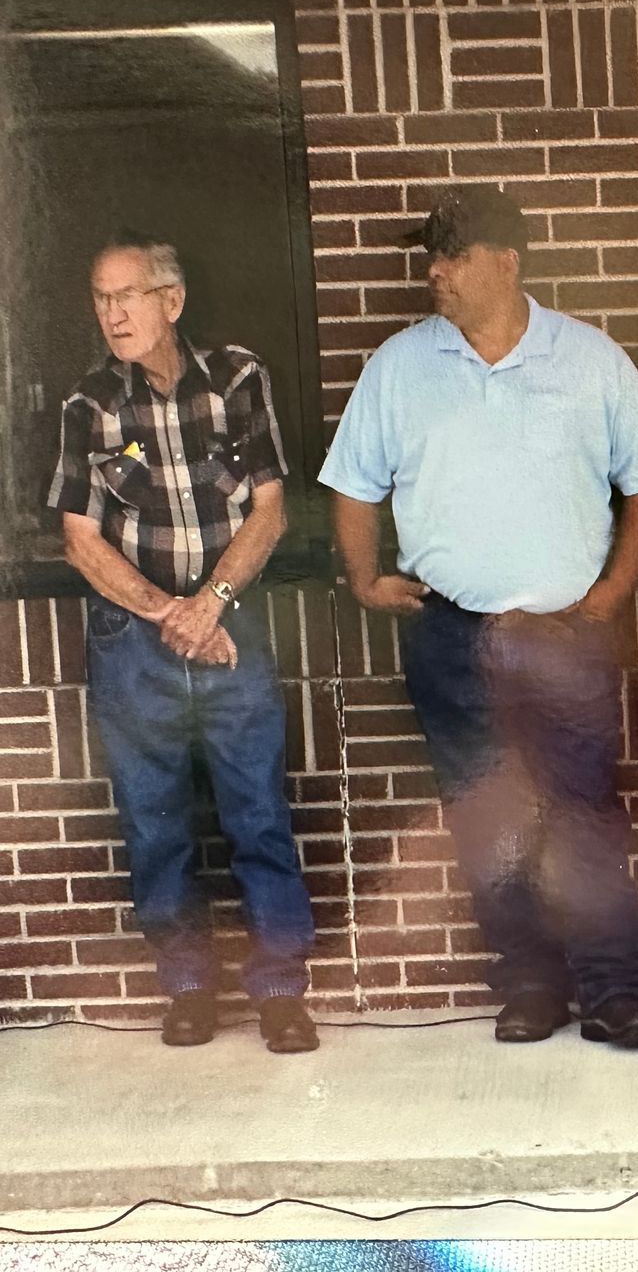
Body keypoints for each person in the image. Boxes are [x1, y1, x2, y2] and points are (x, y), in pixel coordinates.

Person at [319, 185, 638, 1049]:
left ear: (508, 261)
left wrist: (607, 599)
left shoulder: (589, 360)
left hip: (564, 634)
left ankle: (613, 992)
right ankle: (529, 986)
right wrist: (366, 578)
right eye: (430, 257)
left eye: (454, 255)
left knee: (584, 814)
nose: (436, 272)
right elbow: (352, 484)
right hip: (455, 634)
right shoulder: (400, 367)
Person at [48, 230, 318, 1053]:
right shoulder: (87, 405)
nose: (112, 313)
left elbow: (270, 509)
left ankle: (279, 992)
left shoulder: (239, 377)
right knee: (155, 821)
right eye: (101, 297)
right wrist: (174, 613)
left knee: (258, 812)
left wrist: (214, 604)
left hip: (232, 623)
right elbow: (77, 538)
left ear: (171, 301)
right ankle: (189, 988)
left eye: (127, 295)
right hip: (135, 641)